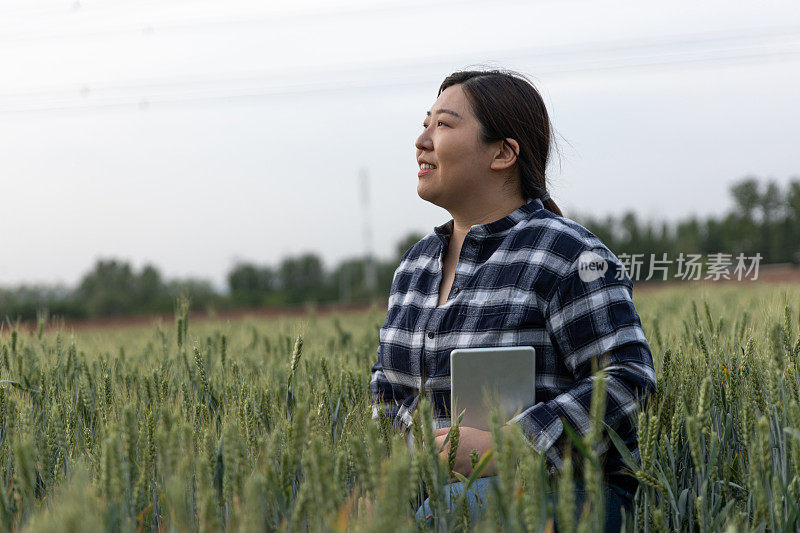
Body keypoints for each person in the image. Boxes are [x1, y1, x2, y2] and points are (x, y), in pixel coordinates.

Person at [369, 68, 657, 530]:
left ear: (503, 153)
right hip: (440, 496)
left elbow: (628, 382)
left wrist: (512, 445)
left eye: (442, 125)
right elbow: (388, 392)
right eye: (425, 124)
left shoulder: (568, 254)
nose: (421, 140)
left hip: (567, 494)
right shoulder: (415, 267)